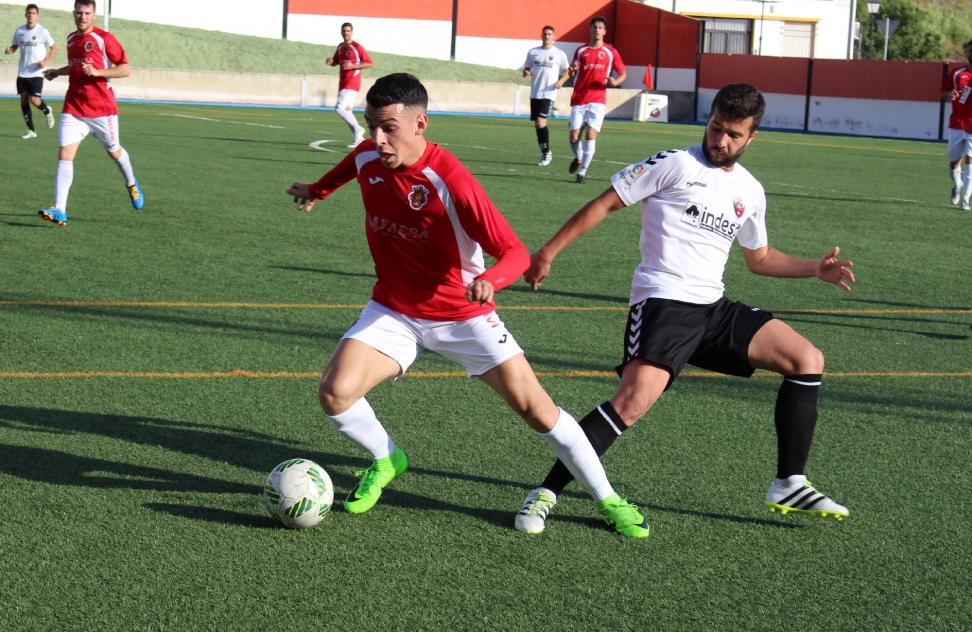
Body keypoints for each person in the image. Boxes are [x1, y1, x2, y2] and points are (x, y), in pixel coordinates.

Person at [285, 72, 648, 539]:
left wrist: (490, 281)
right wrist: (315, 191)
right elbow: (349, 168)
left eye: (389, 127)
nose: (377, 138)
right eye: (371, 124)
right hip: (394, 310)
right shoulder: (369, 155)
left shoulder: (450, 179)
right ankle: (386, 459)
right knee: (335, 394)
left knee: (538, 411)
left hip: (463, 316)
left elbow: (514, 252)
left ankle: (608, 499)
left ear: (421, 124)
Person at [514, 83, 855, 535]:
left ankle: (789, 482)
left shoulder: (750, 191)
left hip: (712, 308)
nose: (721, 141)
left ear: (752, 137)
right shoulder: (675, 163)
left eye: (734, 134)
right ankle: (544, 493)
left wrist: (815, 268)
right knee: (631, 404)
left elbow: (760, 258)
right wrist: (547, 252)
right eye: (716, 128)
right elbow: (606, 203)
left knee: (806, 359)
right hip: (664, 302)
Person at [38, 0, 143, 227]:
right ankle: (60, 209)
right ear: (73, 13)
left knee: (114, 152)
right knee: (65, 153)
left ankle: (132, 183)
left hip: (102, 110)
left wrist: (97, 72)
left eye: (87, 13)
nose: (82, 17)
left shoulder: (104, 39)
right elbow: (75, 65)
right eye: (78, 13)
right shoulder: (71, 39)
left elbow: (125, 68)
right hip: (74, 108)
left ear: (94, 14)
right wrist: (58, 72)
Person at [565, 16, 626, 184]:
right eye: (594, 27)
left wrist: (616, 82)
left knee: (591, 134)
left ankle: (582, 173)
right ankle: (578, 158)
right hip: (579, 98)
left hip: (598, 99)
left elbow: (623, 73)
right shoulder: (581, 51)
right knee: (573, 136)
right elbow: (571, 72)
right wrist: (571, 70)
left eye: (600, 28)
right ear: (590, 30)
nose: (597, 30)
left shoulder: (610, 52)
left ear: (604, 31)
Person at [5, 3, 57, 140]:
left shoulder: (43, 31)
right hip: (22, 71)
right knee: (23, 100)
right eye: (29, 13)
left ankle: (47, 111)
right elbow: (15, 45)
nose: (31, 15)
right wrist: (10, 50)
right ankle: (31, 131)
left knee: (34, 100)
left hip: (36, 72)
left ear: (37, 16)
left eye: (33, 13)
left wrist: (46, 62)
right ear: (25, 15)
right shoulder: (20, 31)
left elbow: (54, 48)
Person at [522, 25, 569, 167]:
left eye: (550, 34)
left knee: (541, 121)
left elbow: (567, 70)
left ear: (554, 37)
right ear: (541, 36)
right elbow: (527, 68)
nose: (547, 36)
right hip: (535, 92)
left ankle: (547, 153)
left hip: (549, 93)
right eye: (545, 34)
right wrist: (526, 72)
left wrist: (561, 81)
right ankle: (545, 151)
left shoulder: (559, 54)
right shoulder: (533, 52)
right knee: (538, 124)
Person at [325, 22, 372, 148]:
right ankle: (359, 139)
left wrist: (353, 66)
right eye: (344, 31)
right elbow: (335, 61)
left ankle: (358, 129)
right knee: (347, 110)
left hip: (352, 83)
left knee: (339, 108)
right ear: (341, 32)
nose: (346, 33)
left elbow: (369, 63)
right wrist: (331, 62)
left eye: (348, 31)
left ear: (352, 32)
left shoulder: (357, 47)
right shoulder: (340, 47)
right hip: (343, 83)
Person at [940, 40, 972, 211]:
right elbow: (942, 95)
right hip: (957, 124)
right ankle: (957, 186)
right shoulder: (957, 74)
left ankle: (966, 199)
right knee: (953, 165)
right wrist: (950, 94)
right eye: (970, 50)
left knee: (970, 161)